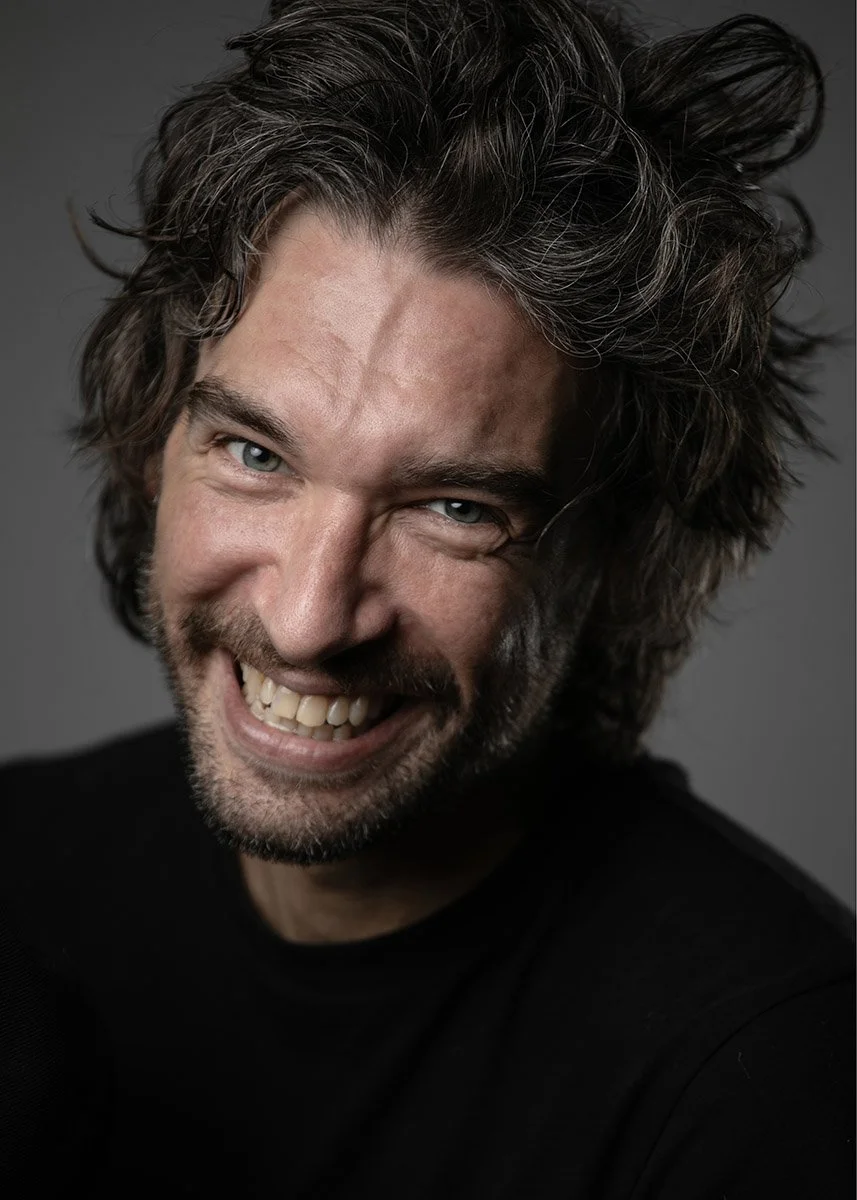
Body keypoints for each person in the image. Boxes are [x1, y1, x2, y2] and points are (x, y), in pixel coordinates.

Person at [1, 0, 853, 1195]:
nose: (308, 620)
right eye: (255, 455)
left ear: (616, 555)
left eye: (452, 509)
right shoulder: (19, 876)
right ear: (155, 437)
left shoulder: (764, 1076)